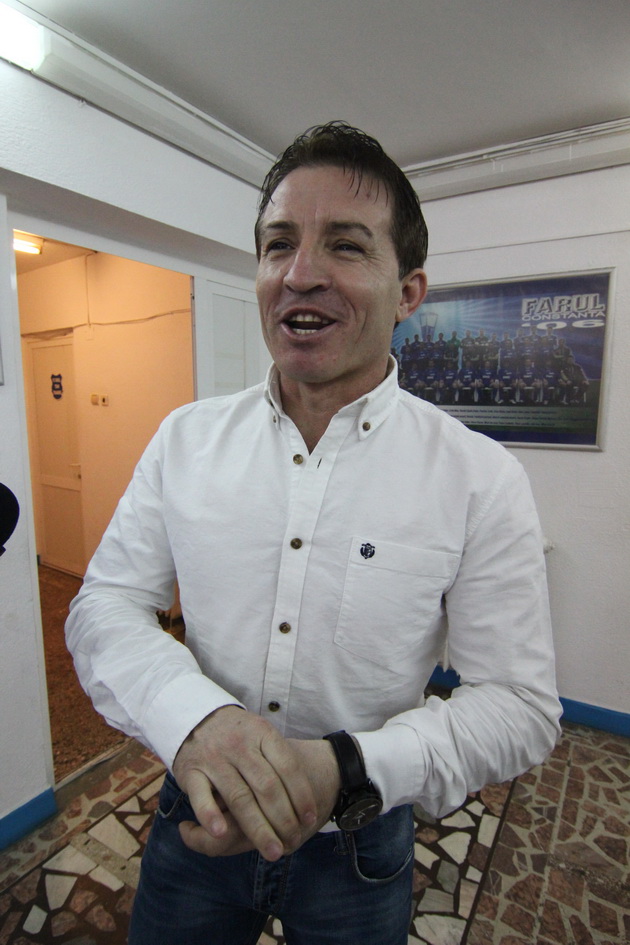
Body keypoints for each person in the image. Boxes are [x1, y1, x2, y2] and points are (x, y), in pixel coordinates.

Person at [65, 121, 561, 945]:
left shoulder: (479, 476)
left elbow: (519, 704)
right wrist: (196, 720)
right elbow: (105, 603)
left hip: (359, 842)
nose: (300, 273)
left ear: (407, 292)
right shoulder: (184, 440)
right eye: (278, 244)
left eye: (346, 246)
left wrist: (345, 770)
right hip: (195, 819)